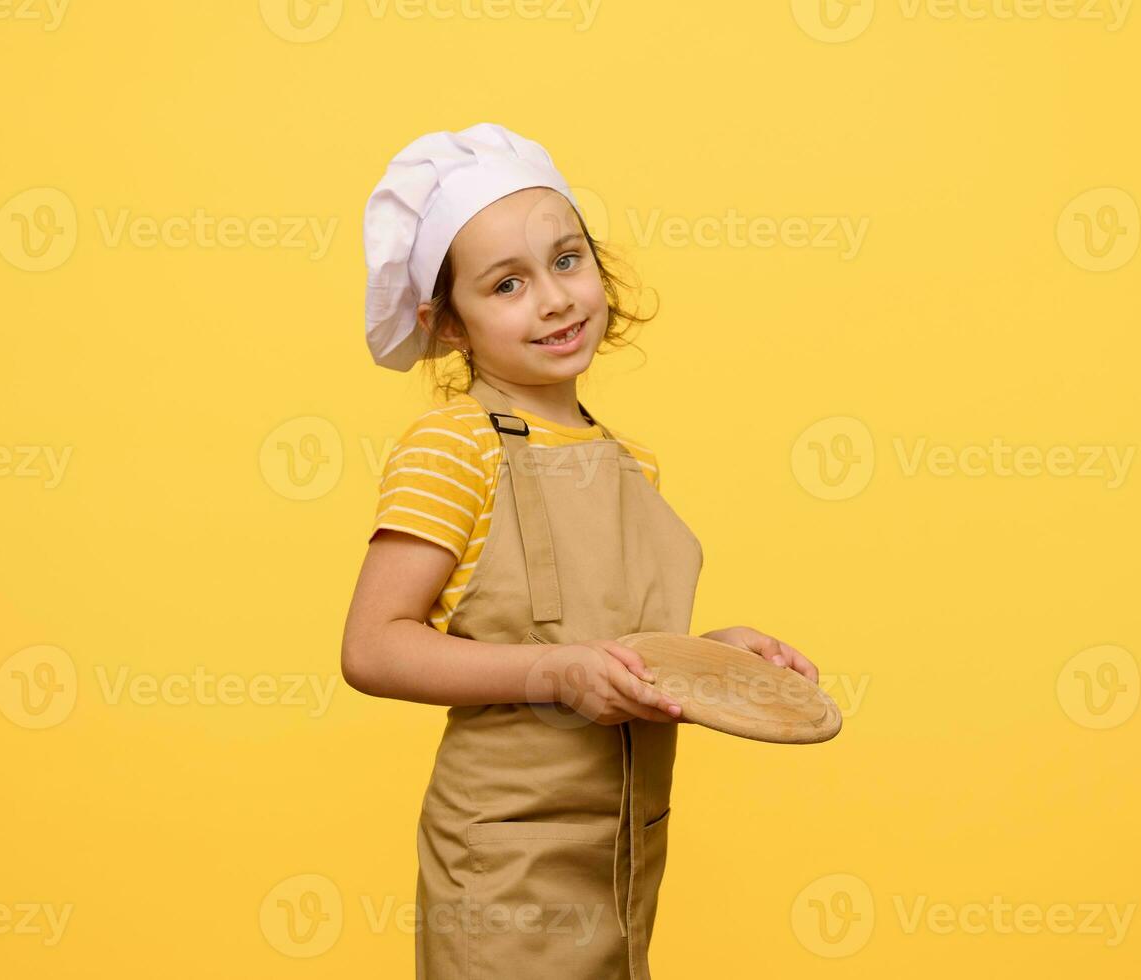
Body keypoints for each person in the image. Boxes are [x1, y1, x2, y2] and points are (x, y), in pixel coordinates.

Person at [340, 122, 819, 980]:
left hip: (624, 857)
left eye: (566, 261)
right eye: (507, 284)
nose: (555, 300)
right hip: (505, 868)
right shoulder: (453, 446)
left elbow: (614, 654)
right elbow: (373, 646)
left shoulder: (631, 462)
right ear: (447, 325)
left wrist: (709, 659)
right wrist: (551, 675)